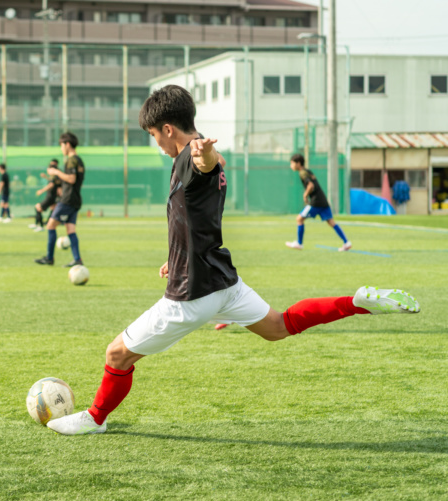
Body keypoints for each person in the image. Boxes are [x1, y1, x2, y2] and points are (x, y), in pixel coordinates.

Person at [46, 85, 421, 436]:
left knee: (117, 354)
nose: (155, 142)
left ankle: (95, 419)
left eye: (153, 135)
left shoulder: (192, 157)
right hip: (223, 283)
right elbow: (196, 215)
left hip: (192, 294)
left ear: (167, 128)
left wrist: (205, 154)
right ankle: (356, 303)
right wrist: (173, 258)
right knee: (279, 325)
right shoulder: (189, 157)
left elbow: (206, 163)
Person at [34, 133, 85, 267]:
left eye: (61, 145)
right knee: (70, 230)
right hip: (75, 199)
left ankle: (49, 258)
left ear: (67, 144)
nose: (61, 148)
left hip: (67, 200)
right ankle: (77, 259)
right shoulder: (79, 160)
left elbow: (71, 179)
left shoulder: (71, 160)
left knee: (50, 226)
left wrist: (56, 172)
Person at [286, 154, 351, 252]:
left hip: (316, 201)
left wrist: (305, 195)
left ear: (298, 163)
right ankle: (346, 242)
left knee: (299, 219)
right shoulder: (308, 171)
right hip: (323, 200)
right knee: (331, 222)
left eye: (292, 163)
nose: (291, 165)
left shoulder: (303, 173)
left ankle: (299, 243)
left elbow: (311, 185)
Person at [29, 159, 61, 232]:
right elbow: (52, 181)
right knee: (52, 210)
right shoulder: (54, 177)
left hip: (51, 197)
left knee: (38, 207)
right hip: (52, 197)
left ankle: (40, 226)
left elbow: (51, 184)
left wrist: (41, 191)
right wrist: (46, 177)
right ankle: (38, 224)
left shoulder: (55, 177)